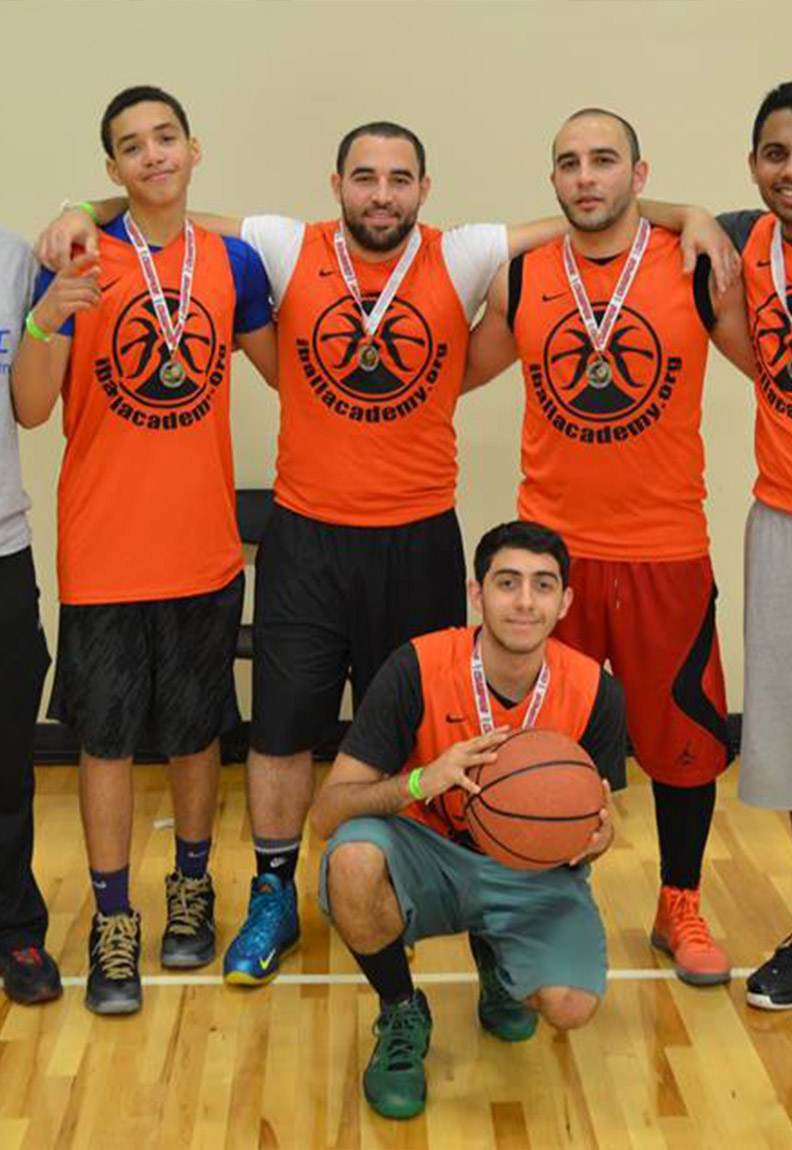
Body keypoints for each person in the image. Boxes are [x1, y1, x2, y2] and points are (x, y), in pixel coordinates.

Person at [34, 122, 734, 991]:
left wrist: (687, 212)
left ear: (423, 190)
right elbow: (169, 208)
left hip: (418, 537)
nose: (381, 193)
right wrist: (83, 206)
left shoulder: (464, 254)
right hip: (307, 535)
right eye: (364, 177)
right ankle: (272, 893)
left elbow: (589, 215)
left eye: (399, 178)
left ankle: (434, 890)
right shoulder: (286, 245)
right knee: (282, 731)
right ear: (337, 185)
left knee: (426, 727)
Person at [463, 109, 756, 988]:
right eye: (569, 163)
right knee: (540, 746)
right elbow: (448, 372)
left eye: (603, 160)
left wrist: (689, 215)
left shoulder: (692, 264)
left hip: (666, 549)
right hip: (552, 563)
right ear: (553, 180)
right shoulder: (522, 275)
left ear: (639, 173)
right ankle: (542, 905)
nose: (586, 176)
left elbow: (772, 372)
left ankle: (679, 903)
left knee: (684, 741)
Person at [11, 86, 276, 1015]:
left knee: (197, 735)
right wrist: (48, 316)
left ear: (194, 150)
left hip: (202, 547)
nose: (153, 154)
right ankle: (114, 917)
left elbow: (292, 371)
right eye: (133, 145)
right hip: (104, 549)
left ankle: (191, 888)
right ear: (112, 168)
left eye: (167, 137)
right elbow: (31, 408)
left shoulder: (233, 262)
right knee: (108, 743)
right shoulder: (75, 255)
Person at [310, 519, 626, 1120]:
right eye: (507, 583)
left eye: (542, 585)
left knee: (570, 1007)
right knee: (351, 860)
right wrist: (420, 780)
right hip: (426, 849)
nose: (525, 601)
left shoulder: (595, 691)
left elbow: (602, 826)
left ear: (565, 601)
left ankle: (497, 959)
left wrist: (600, 839)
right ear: (477, 594)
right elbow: (326, 814)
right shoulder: (417, 668)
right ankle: (400, 1010)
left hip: (528, 868)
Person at [711, 81, 792, 1010]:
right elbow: (649, 215)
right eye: (777, 154)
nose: (790, 170)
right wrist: (692, 217)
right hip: (781, 519)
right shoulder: (746, 241)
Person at [0, 229, 61, 1005]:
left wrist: (82, 207)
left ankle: (14, 924)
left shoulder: (14, 259)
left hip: (2, 548)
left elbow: (33, 408)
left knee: (7, 761)